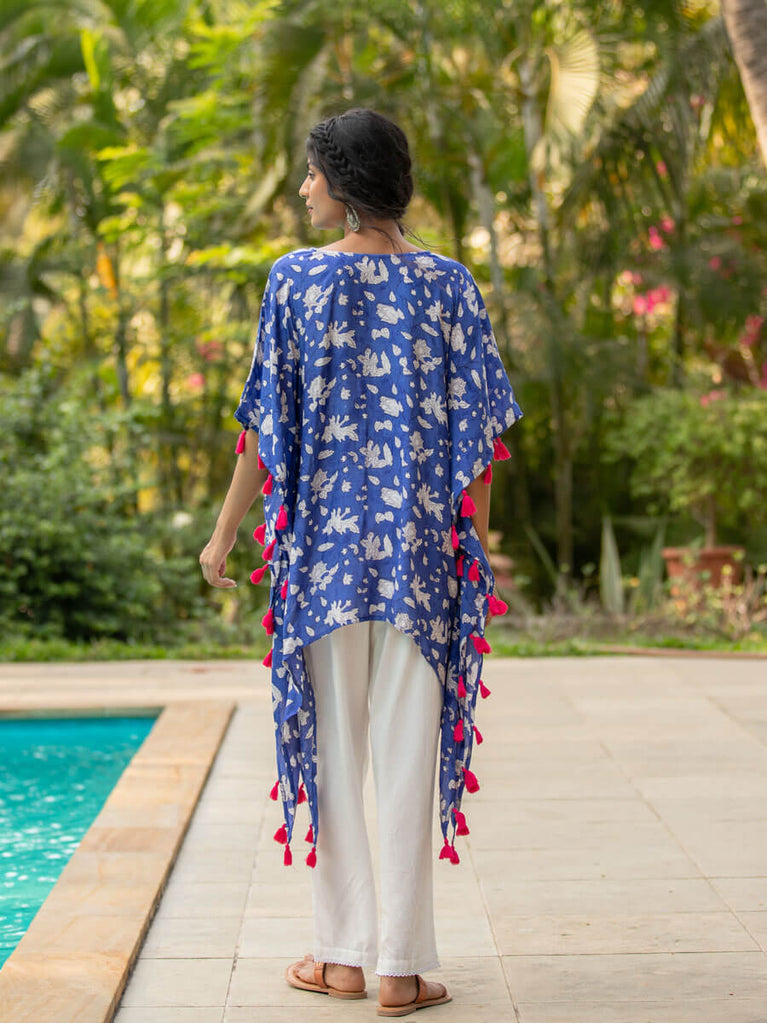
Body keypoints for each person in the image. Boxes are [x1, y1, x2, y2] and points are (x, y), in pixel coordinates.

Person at [199, 107, 522, 1017]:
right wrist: (472, 548)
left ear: (342, 183)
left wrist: (224, 533)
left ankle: (342, 957)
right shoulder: (449, 284)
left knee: (336, 757)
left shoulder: (295, 280)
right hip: (423, 562)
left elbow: (262, 430)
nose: (303, 187)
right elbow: (480, 442)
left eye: (312, 172)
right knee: (406, 756)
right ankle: (397, 969)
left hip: (323, 562)